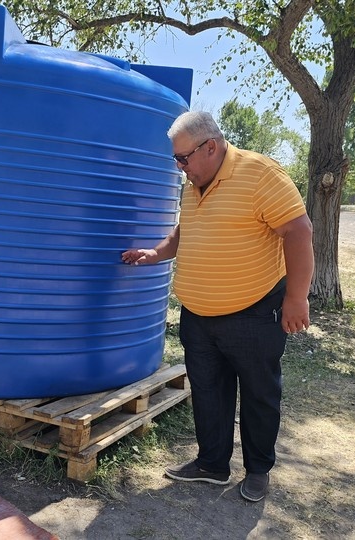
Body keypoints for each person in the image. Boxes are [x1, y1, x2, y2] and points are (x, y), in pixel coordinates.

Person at [121, 110, 314, 502]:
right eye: (175, 159)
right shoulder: (195, 184)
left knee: (259, 394)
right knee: (208, 392)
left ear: (211, 146)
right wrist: (155, 253)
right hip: (199, 317)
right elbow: (186, 229)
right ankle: (212, 463)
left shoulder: (260, 174)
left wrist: (296, 298)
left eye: (183, 158)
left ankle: (258, 470)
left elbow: (298, 229)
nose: (180, 167)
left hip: (254, 313)